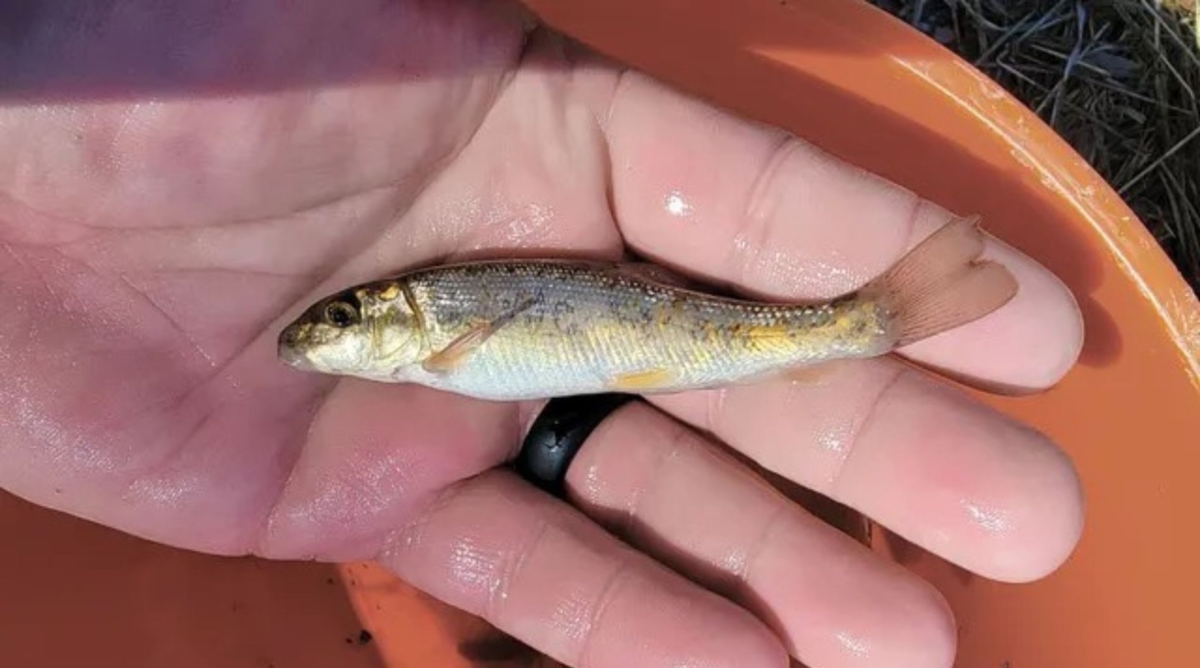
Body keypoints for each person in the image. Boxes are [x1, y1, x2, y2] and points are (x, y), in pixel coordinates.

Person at [0, 2, 1084, 667]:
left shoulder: (435, 328)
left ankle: (874, 317)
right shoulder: (429, 330)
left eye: (338, 326)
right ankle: (873, 318)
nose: (322, 338)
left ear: (391, 320)